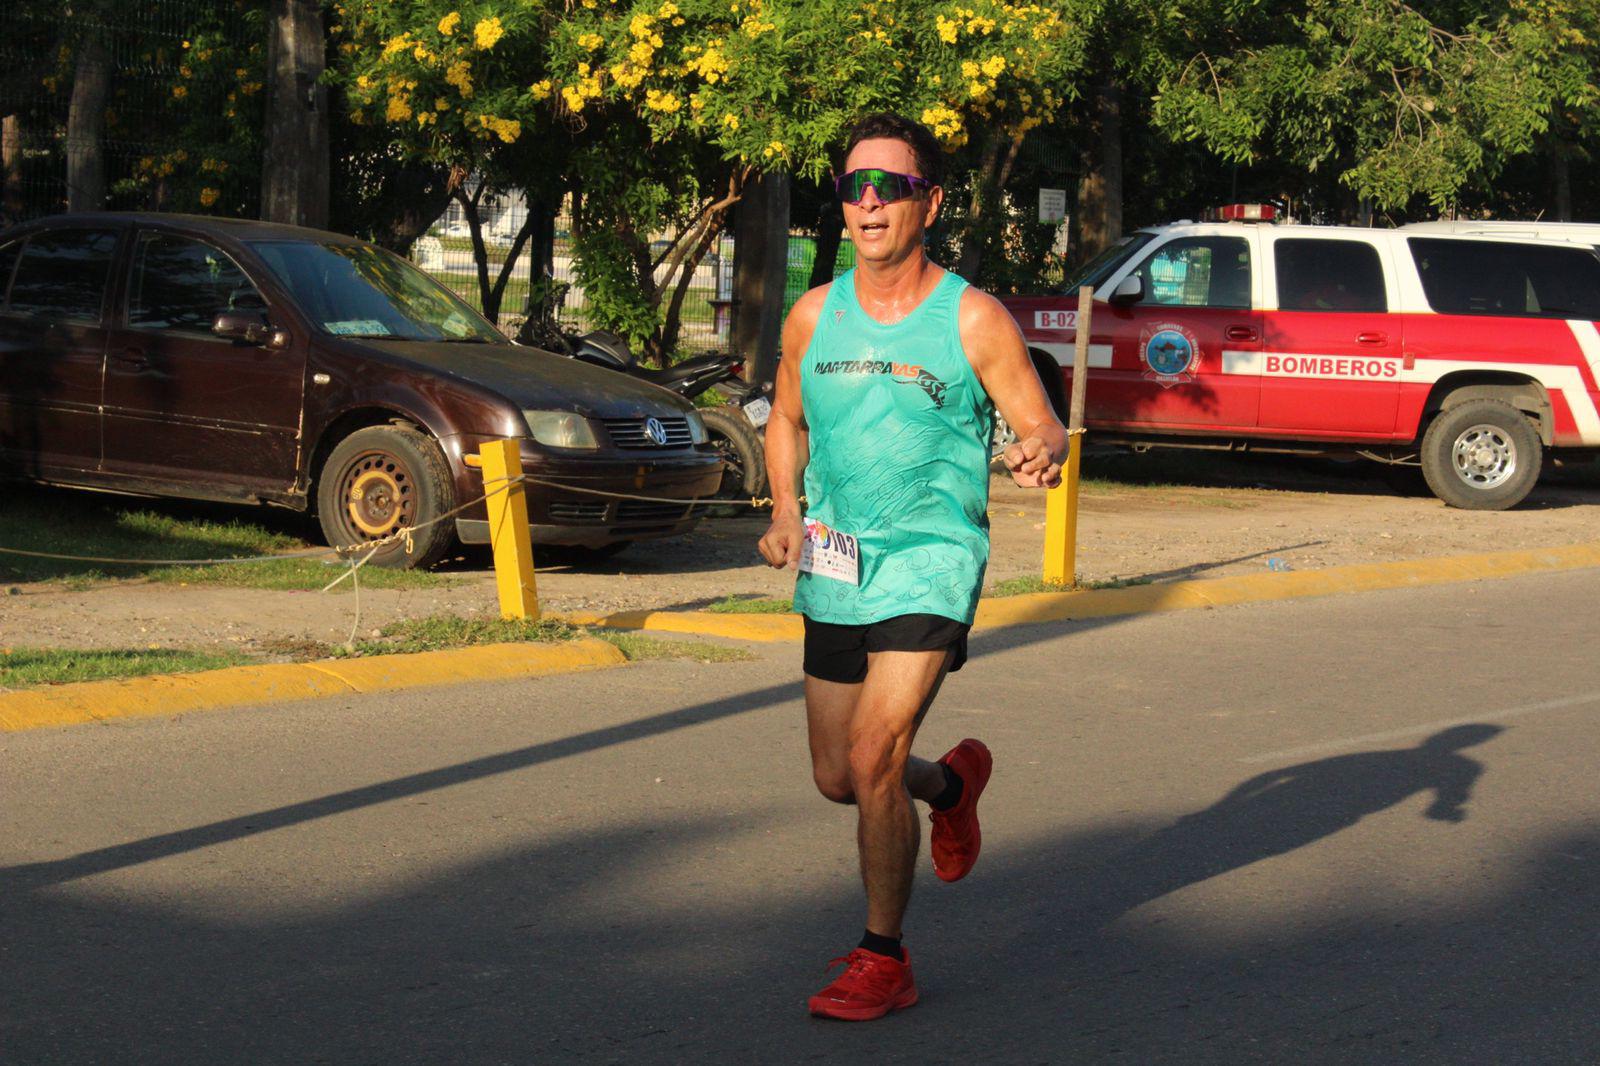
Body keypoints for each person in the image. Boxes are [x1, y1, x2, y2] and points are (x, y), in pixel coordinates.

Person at [757, 112, 1069, 1021]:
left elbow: (1039, 422)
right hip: (836, 557)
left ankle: (882, 957)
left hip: (931, 558)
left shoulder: (972, 317)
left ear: (927, 202)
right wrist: (784, 509)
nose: (866, 204)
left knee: (870, 756)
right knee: (836, 775)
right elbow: (785, 417)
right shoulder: (814, 313)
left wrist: (1039, 450)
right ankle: (954, 786)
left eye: (886, 187)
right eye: (854, 187)